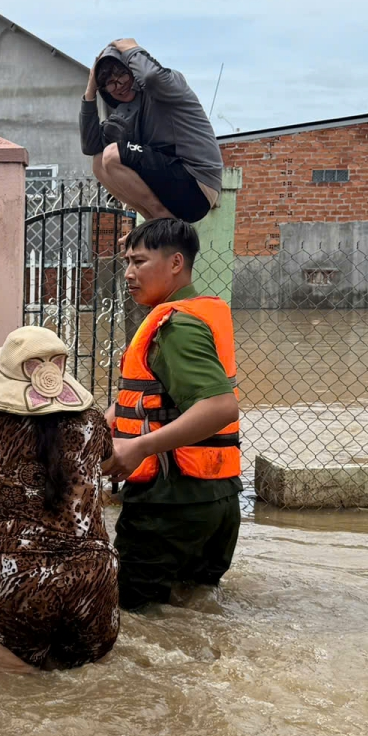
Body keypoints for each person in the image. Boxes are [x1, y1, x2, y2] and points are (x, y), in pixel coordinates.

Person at [0, 326, 118, 671]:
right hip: (95, 579)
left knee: (7, 709)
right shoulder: (92, 423)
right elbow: (105, 459)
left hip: (14, 580)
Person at [108, 217, 243, 608]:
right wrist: (109, 418)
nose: (129, 274)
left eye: (140, 262)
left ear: (175, 263)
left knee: (132, 617)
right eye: (127, 263)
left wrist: (139, 448)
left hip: (170, 503)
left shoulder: (176, 327)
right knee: (191, 612)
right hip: (216, 498)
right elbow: (158, 399)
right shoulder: (197, 314)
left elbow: (219, 406)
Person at [80, 39, 225, 224]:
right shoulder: (128, 113)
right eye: (110, 83)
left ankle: (163, 222)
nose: (119, 85)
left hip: (197, 183)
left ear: (132, 69)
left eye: (122, 75)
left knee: (112, 154)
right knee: (99, 162)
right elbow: (90, 145)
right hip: (173, 184)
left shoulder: (168, 85)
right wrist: (91, 86)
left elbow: (151, 77)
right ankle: (152, 224)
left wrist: (131, 48)